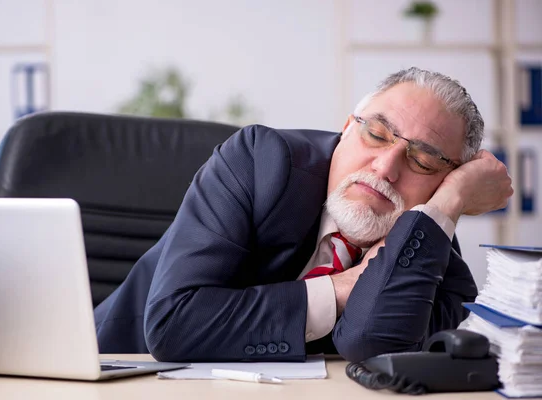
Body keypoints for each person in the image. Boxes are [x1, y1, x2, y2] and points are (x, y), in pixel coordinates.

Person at [93, 67, 513, 363]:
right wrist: (347, 285)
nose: (385, 167)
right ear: (347, 127)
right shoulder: (261, 161)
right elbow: (174, 324)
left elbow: (372, 344)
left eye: (422, 161)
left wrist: (447, 204)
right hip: (117, 373)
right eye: (375, 135)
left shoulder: (427, 241)